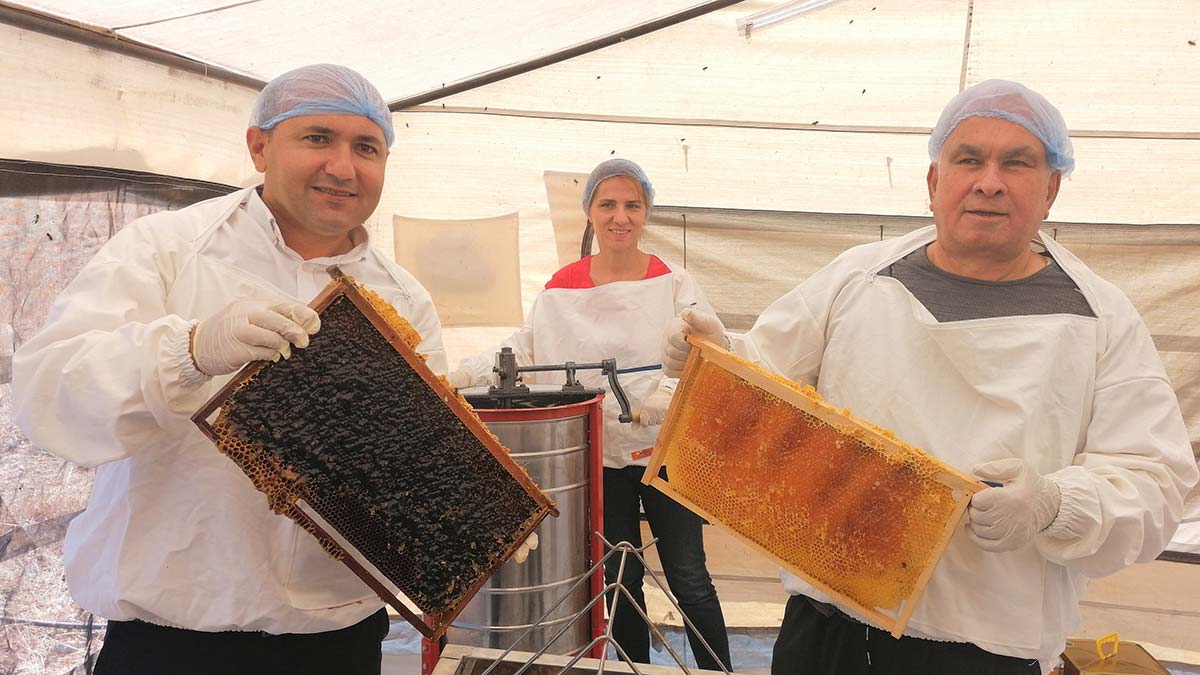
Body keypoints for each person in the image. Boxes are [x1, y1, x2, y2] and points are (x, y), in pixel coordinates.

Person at [663, 80, 1198, 675]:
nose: (989, 181)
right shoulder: (859, 277)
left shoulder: (1102, 318)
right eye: (968, 159)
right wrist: (712, 360)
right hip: (824, 625)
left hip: (983, 649)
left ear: (1051, 188)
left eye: (1016, 163)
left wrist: (1053, 503)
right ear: (933, 181)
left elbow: (1154, 484)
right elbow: (761, 380)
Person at [13, 64, 448, 674]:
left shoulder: (405, 299)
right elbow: (49, 397)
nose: (343, 167)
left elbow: (414, 458)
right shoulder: (163, 248)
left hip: (337, 640)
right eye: (318, 138)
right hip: (172, 642)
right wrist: (189, 351)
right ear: (259, 146)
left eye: (366, 147)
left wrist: (460, 524)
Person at [450, 159, 732, 671]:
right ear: (590, 214)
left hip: (666, 452)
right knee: (619, 576)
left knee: (689, 575)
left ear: (646, 213)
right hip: (598, 454)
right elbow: (527, 346)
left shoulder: (674, 281)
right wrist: (468, 371)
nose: (620, 216)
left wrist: (667, 394)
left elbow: (706, 347)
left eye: (632, 205)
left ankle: (720, 671)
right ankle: (632, 669)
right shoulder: (562, 286)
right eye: (608, 204)